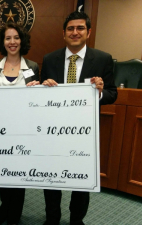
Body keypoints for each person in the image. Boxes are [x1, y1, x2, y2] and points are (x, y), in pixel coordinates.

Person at [41, 11, 118, 225]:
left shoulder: (103, 59)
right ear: (63, 33)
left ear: (88, 32)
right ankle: (52, 219)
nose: (75, 32)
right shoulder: (50, 59)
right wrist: (43, 87)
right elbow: (41, 96)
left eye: (80, 28)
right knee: (51, 179)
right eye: (70, 29)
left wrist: (100, 91)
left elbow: (113, 93)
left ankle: (76, 220)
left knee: (81, 182)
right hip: (54, 131)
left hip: (85, 133)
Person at [0, 22, 39, 225]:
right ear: (3, 42)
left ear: (22, 40)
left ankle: (14, 215)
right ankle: (4, 207)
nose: (12, 42)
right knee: (3, 174)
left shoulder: (33, 67)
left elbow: (38, 101)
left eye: (16, 37)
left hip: (23, 131)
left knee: (19, 175)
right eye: (8, 38)